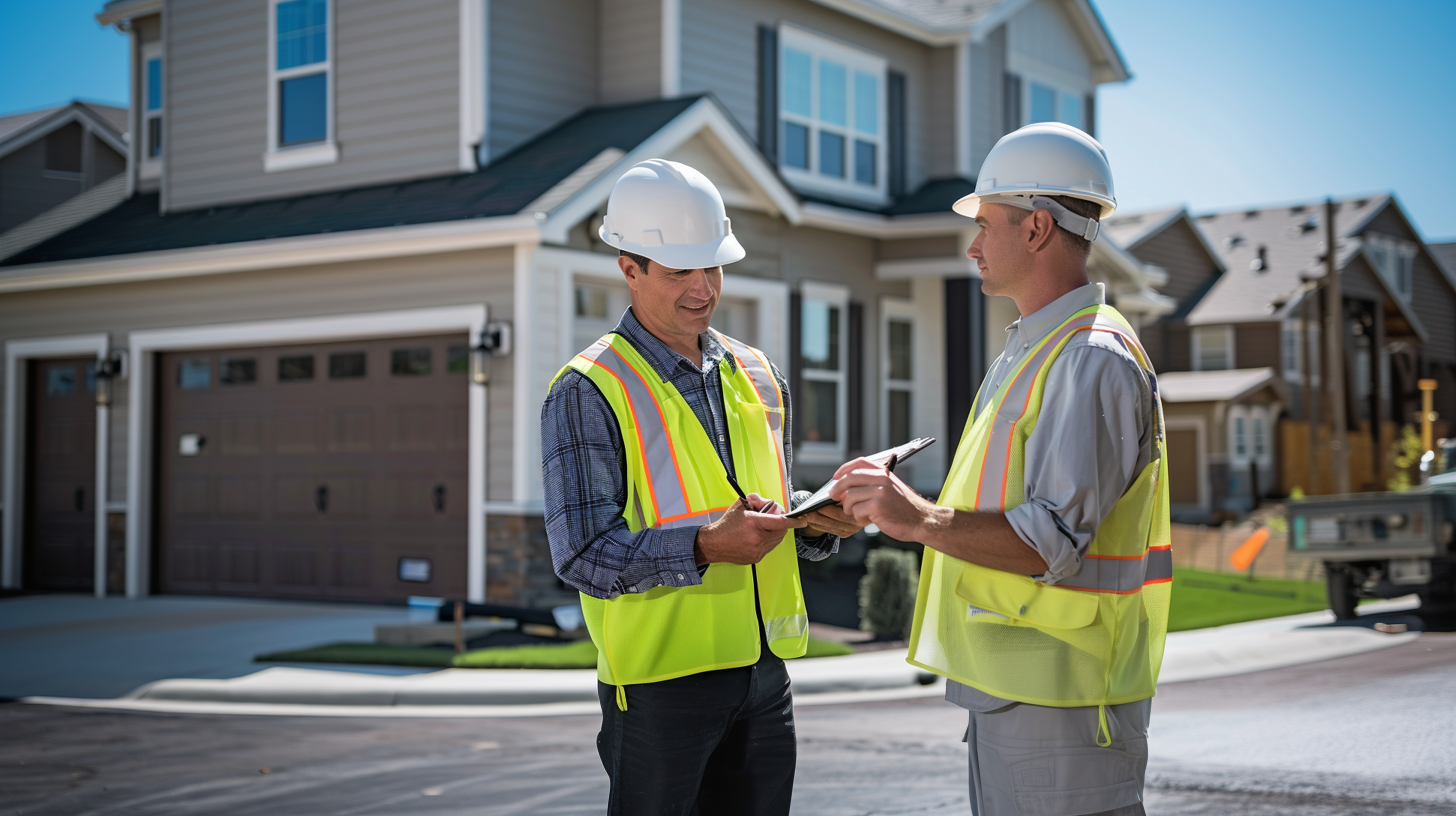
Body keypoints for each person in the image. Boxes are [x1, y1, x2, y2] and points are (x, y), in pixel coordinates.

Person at [829, 122, 1171, 816]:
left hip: (1065, 701)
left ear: (1038, 228)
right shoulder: (1033, 350)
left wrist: (918, 518)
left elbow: (1050, 541)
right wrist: (889, 509)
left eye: (987, 223)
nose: (973, 245)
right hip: (1023, 693)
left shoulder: (1089, 358)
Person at [541, 158, 862, 816]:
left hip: (763, 676)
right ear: (629, 268)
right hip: (660, 687)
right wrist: (705, 547)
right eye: (679, 269)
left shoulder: (757, 373)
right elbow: (581, 555)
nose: (703, 288)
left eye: (712, 265)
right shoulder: (588, 388)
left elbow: (765, 512)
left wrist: (816, 525)